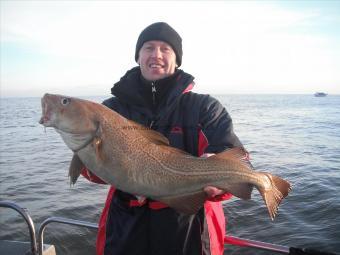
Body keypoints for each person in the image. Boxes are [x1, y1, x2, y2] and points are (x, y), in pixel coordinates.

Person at [81, 22, 246, 255]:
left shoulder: (205, 108)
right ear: (138, 56)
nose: (156, 55)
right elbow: (94, 174)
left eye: (165, 49)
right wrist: (86, 151)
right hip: (124, 229)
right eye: (148, 47)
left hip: (190, 231)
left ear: (177, 60)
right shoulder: (110, 110)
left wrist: (219, 180)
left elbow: (234, 157)